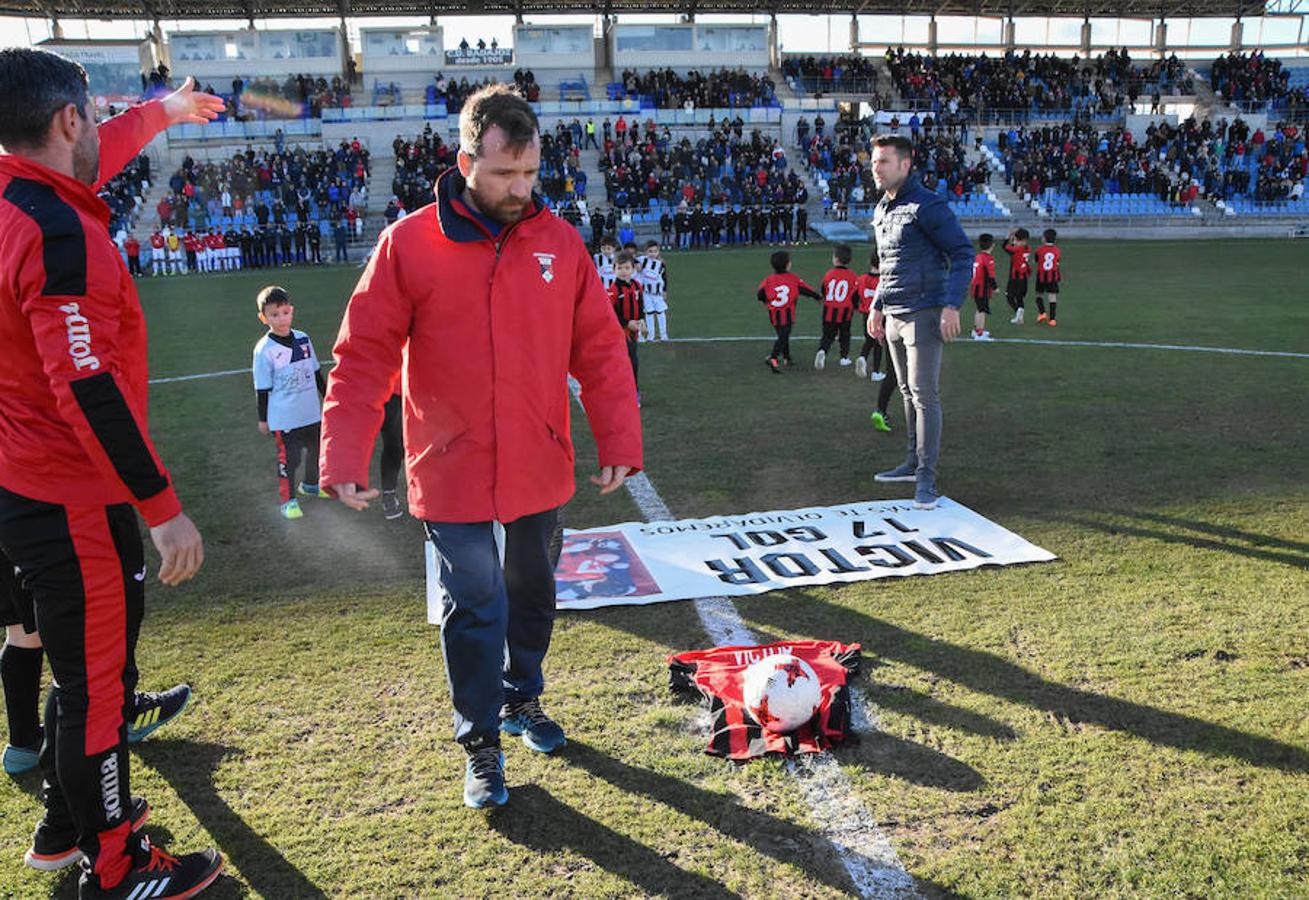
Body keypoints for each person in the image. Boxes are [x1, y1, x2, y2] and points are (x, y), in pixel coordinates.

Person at [319, 84, 642, 810]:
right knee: (475, 601)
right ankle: (480, 745)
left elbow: (598, 347)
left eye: (529, 175)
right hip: (449, 461)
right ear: (465, 159)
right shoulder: (407, 243)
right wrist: (342, 455)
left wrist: (618, 434)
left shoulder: (557, 240)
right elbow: (363, 353)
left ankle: (522, 695)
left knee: (530, 593)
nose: (519, 190)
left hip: (537, 456)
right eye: (502, 175)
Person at [0, 49, 224, 899]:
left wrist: (160, 114)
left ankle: (64, 826)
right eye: (92, 116)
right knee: (97, 689)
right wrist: (160, 506)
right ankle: (119, 865)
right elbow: (86, 386)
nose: (99, 128)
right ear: (66, 122)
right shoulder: (60, 235)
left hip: (27, 482)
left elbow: (81, 162)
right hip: (72, 495)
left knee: (83, 672)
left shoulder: (17, 191)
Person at [868, 134, 972, 509]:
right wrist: (877, 305)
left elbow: (962, 253)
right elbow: (887, 264)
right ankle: (913, 463)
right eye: (874, 162)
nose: (875, 169)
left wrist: (951, 305)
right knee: (908, 393)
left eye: (883, 162)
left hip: (925, 311)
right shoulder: (883, 208)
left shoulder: (928, 205)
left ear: (905, 165)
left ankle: (927, 479)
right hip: (894, 312)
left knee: (925, 395)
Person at [252, 286, 326, 520]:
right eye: (274, 315)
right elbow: (262, 388)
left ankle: (312, 484)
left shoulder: (303, 338)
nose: (281, 318)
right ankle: (288, 500)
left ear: (291, 311)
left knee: (317, 449)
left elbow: (315, 372)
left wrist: (327, 398)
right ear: (263, 318)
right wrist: (263, 419)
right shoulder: (264, 350)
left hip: (310, 411)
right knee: (290, 458)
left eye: (284, 312)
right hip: (284, 416)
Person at [757, 250, 819, 374]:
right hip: (787, 314)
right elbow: (805, 290)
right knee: (784, 335)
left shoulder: (769, 280)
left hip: (773, 314)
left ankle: (787, 357)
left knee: (783, 335)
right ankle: (773, 358)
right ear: (787, 265)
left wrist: (765, 302)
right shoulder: (793, 279)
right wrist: (817, 296)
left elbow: (760, 294)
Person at [815, 243, 858, 370]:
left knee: (828, 335)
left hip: (829, 309)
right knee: (845, 334)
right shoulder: (852, 275)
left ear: (836, 259)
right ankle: (844, 357)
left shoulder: (829, 273)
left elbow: (824, 289)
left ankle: (822, 351)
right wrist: (855, 306)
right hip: (845, 311)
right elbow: (855, 294)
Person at [610, 251, 645, 392]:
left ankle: (632, 389)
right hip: (620, 331)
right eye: (619, 268)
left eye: (627, 268)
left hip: (633, 331)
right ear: (614, 269)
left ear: (633, 269)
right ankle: (630, 390)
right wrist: (626, 323)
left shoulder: (637, 285)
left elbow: (640, 304)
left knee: (632, 360)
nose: (623, 271)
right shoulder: (613, 290)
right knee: (629, 361)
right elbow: (611, 314)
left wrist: (642, 320)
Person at [854, 251, 882, 379]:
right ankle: (876, 372)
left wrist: (856, 307)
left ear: (869, 262)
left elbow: (854, 296)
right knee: (879, 343)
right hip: (880, 314)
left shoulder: (861, 279)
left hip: (866, 314)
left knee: (869, 340)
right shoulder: (883, 280)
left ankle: (862, 357)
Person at [637, 240, 668, 342]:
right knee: (649, 313)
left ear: (658, 252)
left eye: (655, 251)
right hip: (646, 293)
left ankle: (663, 335)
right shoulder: (642, 260)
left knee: (660, 312)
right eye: (650, 251)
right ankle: (651, 335)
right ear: (646, 252)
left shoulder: (661, 263)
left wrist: (664, 290)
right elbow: (632, 259)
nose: (653, 254)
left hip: (657, 293)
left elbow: (664, 277)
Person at [970, 233, 998, 341]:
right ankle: (980, 334)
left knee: (979, 308)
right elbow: (990, 276)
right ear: (992, 245)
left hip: (976, 287)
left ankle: (976, 330)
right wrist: (995, 288)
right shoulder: (988, 259)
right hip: (982, 288)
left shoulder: (977, 257)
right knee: (983, 310)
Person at [1003, 227, 1031, 325]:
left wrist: (1009, 235)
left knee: (1009, 297)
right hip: (1024, 277)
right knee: (1019, 298)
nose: (1016, 242)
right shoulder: (1027, 248)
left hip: (1015, 278)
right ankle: (1019, 316)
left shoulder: (1016, 249)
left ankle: (1018, 314)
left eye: (1017, 240)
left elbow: (1004, 246)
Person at [1034, 228, 1061, 326]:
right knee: (1052, 296)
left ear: (1044, 239)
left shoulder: (1039, 249)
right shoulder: (1057, 250)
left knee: (1038, 294)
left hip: (1041, 275)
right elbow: (1057, 262)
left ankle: (1042, 313)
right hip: (1052, 276)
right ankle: (1052, 319)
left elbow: (1036, 260)